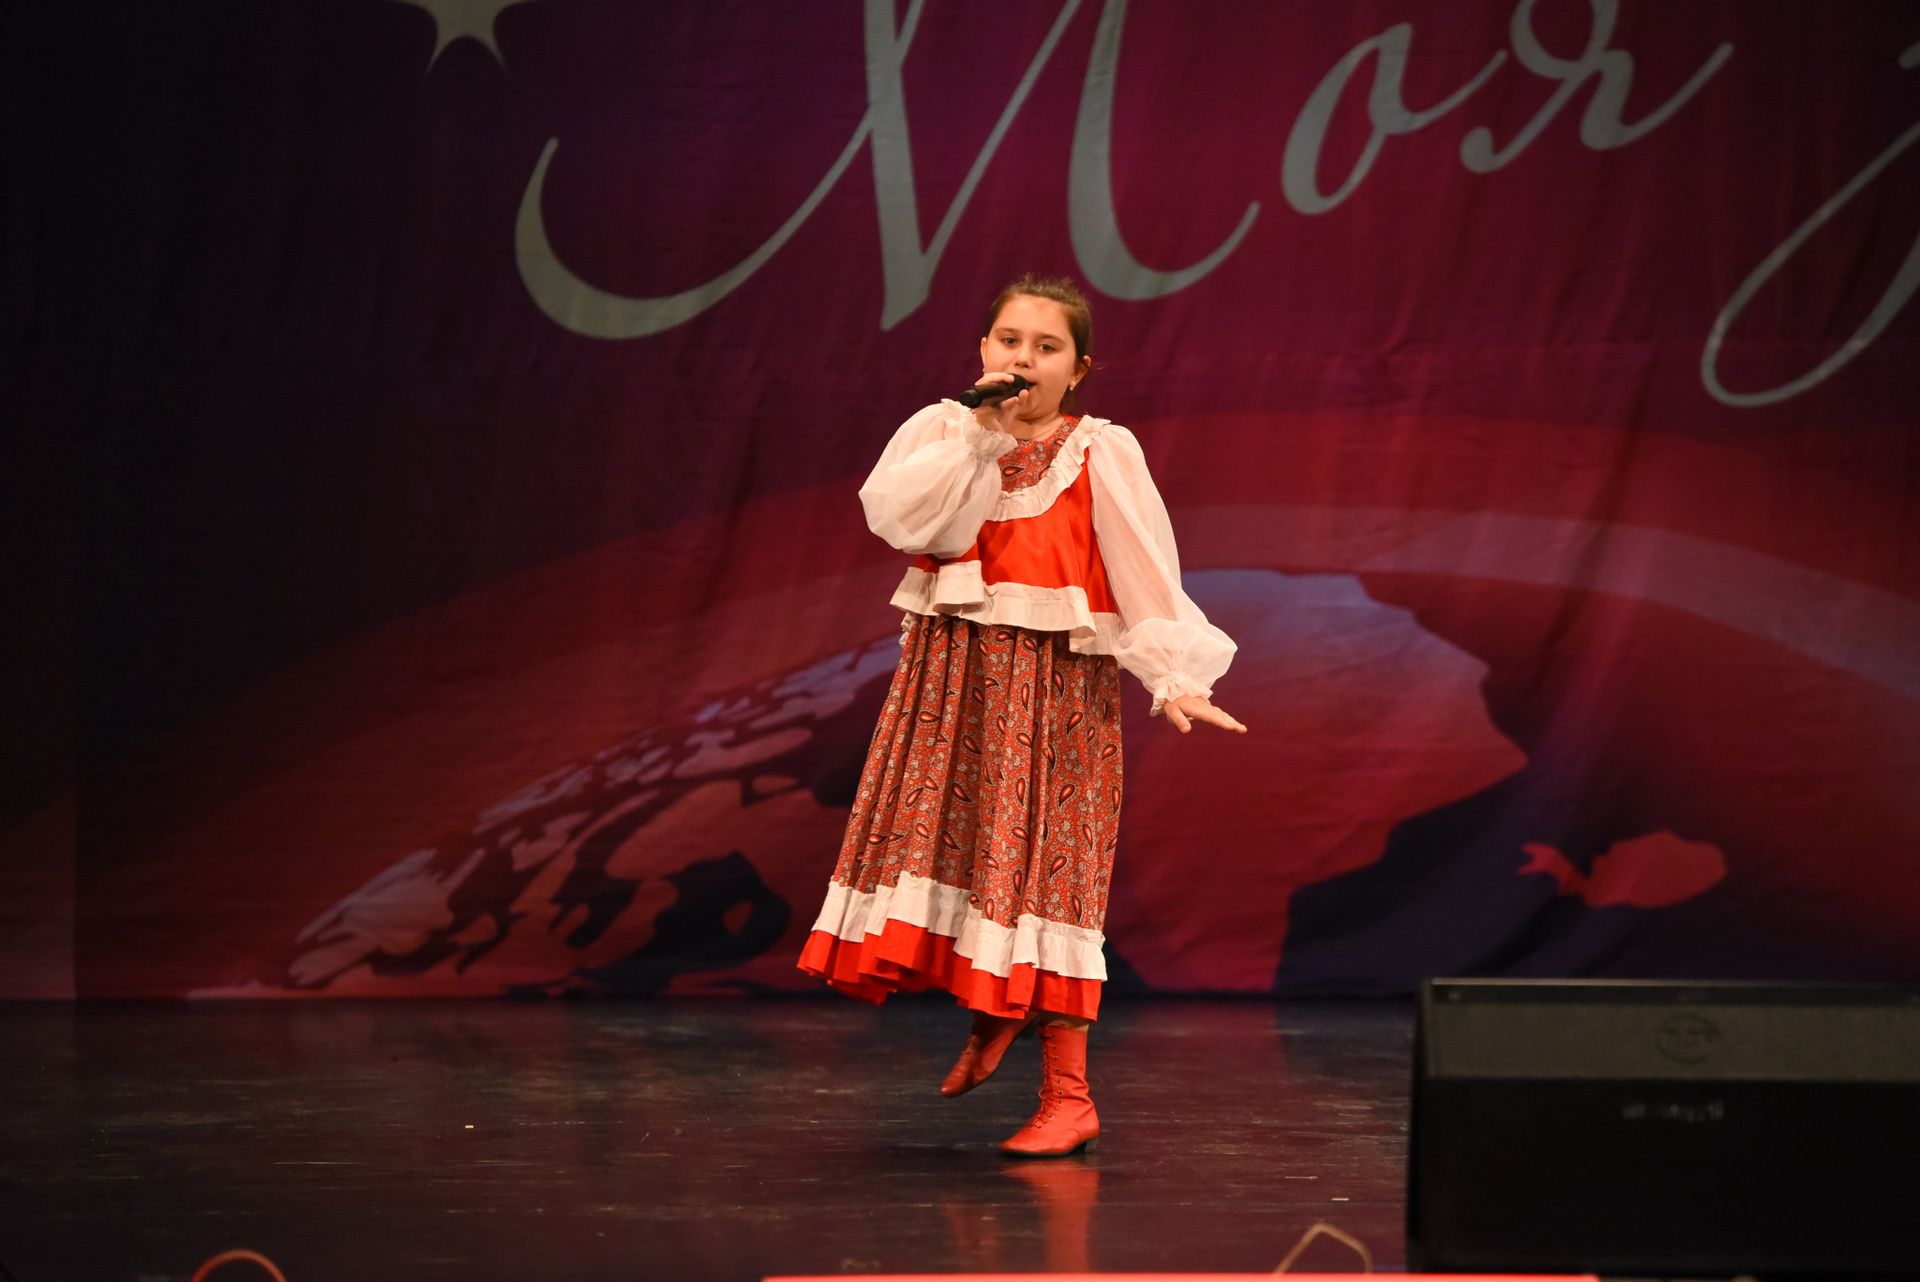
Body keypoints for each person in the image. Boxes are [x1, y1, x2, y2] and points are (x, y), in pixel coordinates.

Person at [798, 275, 1245, 1156]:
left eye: (1046, 348)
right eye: (1010, 341)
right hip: (951, 683)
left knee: (1048, 872)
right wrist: (978, 430)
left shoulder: (1099, 450)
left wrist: (1174, 675)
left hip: (1052, 693)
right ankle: (994, 1008)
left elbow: (1143, 569)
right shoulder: (945, 433)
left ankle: (1069, 1098)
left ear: (1077, 370)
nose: (1024, 359)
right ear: (984, 351)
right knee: (961, 855)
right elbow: (909, 525)